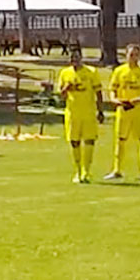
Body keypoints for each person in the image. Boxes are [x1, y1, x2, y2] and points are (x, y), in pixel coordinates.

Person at [55, 48, 105, 184]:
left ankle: (86, 172)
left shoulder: (91, 72)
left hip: (88, 113)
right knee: (74, 142)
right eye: (72, 58)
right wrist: (66, 89)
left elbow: (98, 93)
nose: (74, 61)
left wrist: (100, 111)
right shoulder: (65, 73)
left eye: (76, 57)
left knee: (89, 141)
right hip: (72, 113)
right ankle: (78, 171)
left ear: (81, 58)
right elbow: (61, 96)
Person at [107, 45, 140, 180]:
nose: (133, 58)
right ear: (126, 55)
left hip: (139, 111)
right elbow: (112, 89)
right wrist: (114, 99)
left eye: (136, 55)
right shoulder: (119, 71)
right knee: (120, 141)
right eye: (131, 55)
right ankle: (117, 170)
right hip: (123, 111)